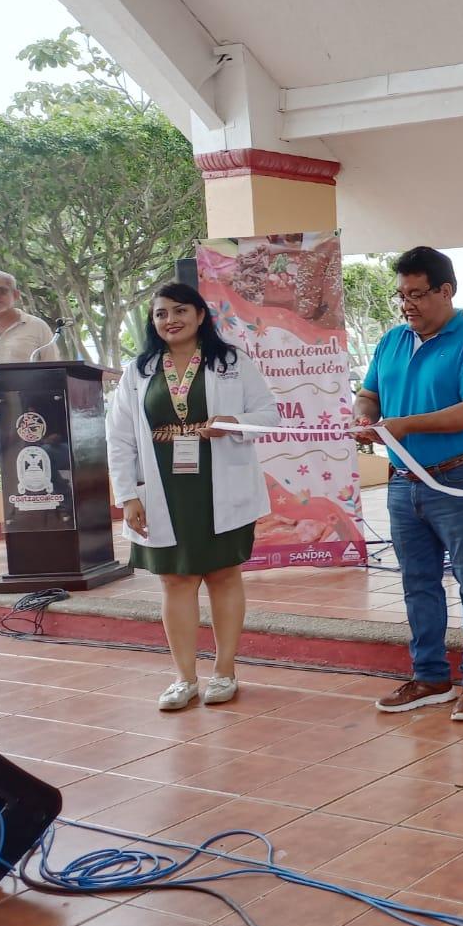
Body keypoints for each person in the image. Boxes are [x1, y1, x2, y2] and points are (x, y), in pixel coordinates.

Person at [106, 283, 276, 709]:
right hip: (163, 486)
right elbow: (119, 437)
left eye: (180, 310)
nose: (170, 320)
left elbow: (268, 414)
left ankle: (224, 671)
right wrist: (127, 495)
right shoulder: (139, 369)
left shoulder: (231, 361)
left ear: (201, 315)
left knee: (222, 574)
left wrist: (234, 421)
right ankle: (184, 678)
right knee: (174, 580)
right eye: (161, 314)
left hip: (220, 483)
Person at [354, 247, 463, 722]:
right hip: (402, 482)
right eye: (401, 295)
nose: (408, 305)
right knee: (417, 582)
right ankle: (430, 676)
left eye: (418, 294)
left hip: (458, 477)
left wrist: (405, 425)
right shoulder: (392, 341)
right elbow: (369, 394)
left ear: (447, 290)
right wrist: (364, 417)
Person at [0, 270, 59, 563]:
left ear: (16, 295)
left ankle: (35, 535)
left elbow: (52, 370)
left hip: (24, 417)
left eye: (1, 290)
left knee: (26, 475)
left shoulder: (36, 328)